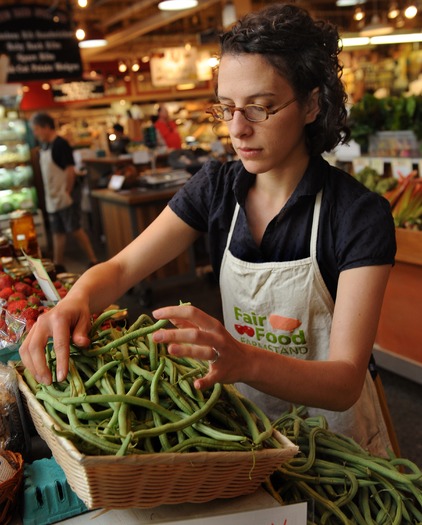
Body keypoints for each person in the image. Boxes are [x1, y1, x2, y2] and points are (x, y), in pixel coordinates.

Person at [21, 4, 396, 456]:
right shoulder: (216, 189)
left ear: (313, 103)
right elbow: (120, 269)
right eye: (227, 108)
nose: (237, 130)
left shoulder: (357, 214)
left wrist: (245, 359)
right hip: (251, 435)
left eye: (259, 108)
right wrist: (72, 302)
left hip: (339, 445)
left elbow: (344, 381)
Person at [30, 112, 99, 273]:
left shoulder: (61, 144)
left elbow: (70, 170)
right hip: (52, 197)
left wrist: (67, 190)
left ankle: (93, 260)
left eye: (37, 129)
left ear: (46, 127)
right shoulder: (46, 146)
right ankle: (58, 265)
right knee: (57, 231)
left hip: (63, 195)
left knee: (75, 228)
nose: (36, 133)